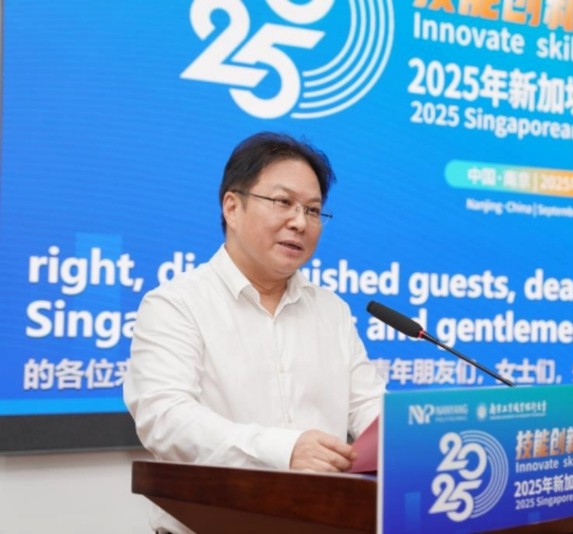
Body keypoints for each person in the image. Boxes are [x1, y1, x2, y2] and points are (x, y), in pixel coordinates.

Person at [124, 132, 386, 534]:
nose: (300, 222)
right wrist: (285, 450)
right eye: (283, 202)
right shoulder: (175, 304)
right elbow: (167, 419)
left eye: (313, 210)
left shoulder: (331, 310)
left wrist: (408, 438)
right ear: (232, 207)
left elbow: (370, 410)